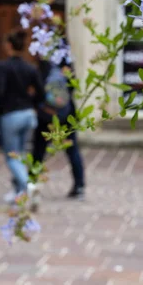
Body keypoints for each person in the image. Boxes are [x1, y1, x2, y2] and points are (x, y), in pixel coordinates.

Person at [0, 29, 44, 203]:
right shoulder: (30, 68)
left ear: (8, 46)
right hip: (28, 114)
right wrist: (32, 103)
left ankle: (28, 186)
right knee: (21, 154)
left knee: (12, 156)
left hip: (11, 115)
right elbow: (41, 93)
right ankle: (19, 192)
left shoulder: (4, 68)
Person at [32, 51, 86, 200]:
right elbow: (73, 87)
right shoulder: (66, 64)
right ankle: (80, 186)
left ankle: (31, 185)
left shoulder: (44, 66)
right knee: (72, 149)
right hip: (67, 114)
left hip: (46, 115)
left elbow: (38, 90)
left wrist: (39, 105)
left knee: (38, 151)